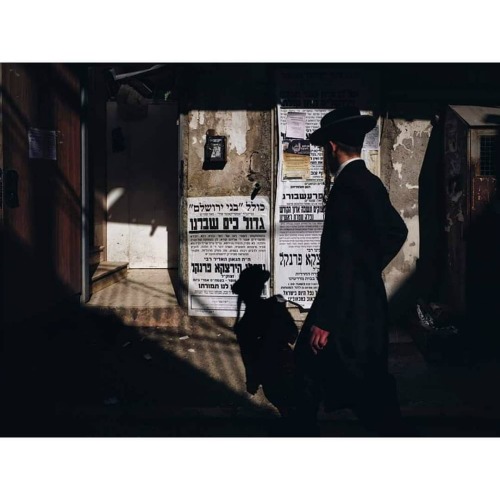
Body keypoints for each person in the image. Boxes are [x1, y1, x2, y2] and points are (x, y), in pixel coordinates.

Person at [293, 106, 409, 436]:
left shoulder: (346, 191)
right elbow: (396, 231)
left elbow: (341, 259)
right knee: (350, 376)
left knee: (354, 382)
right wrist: (368, 267)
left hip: (344, 308)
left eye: (322, 150)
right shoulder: (370, 183)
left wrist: (326, 321)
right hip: (364, 303)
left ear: (332, 147)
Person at [232, 265, 298, 418]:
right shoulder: (274, 307)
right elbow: (292, 334)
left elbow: (248, 356)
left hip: (269, 370)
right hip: (285, 364)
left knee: (288, 409)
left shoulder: (244, 324)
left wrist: (252, 381)